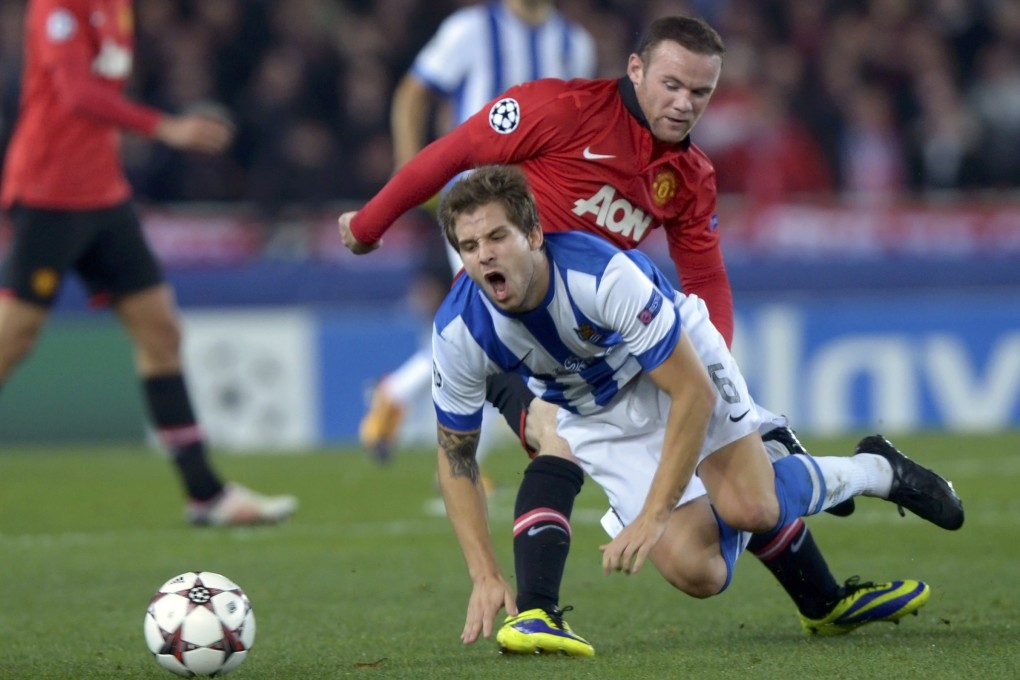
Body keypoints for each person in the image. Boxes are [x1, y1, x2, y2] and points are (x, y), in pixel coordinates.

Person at [338, 16, 913, 648]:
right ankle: (537, 612)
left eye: (700, 93)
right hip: (519, 327)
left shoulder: (685, 175)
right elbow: (453, 153)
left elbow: (706, 277)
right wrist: (369, 225)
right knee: (561, 443)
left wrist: (717, 384)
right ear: (635, 69)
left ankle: (815, 570)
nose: (684, 104)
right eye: (672, 85)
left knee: (717, 524)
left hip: (613, 340)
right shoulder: (558, 109)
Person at [430, 164, 963, 651]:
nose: (484, 255)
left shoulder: (601, 277)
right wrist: (484, 573)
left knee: (752, 508)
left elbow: (692, 393)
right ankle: (768, 463)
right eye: (470, 245)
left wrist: (654, 515)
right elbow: (456, 455)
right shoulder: (458, 330)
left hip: (679, 366)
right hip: (594, 412)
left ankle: (876, 469)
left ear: (533, 234)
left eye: (497, 236)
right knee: (699, 574)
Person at [0, 0, 297, 526]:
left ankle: (205, 494)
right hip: (49, 193)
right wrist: (164, 127)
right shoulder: (57, 6)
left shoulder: (117, 5)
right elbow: (76, 93)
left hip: (105, 195)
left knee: (160, 331)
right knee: (14, 338)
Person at [358, 0, 596, 467]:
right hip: (475, 204)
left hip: (540, 209)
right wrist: (411, 171)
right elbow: (414, 92)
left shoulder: (576, 44)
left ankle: (397, 392)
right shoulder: (471, 29)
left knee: (501, 326)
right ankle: (466, 462)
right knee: (493, 324)